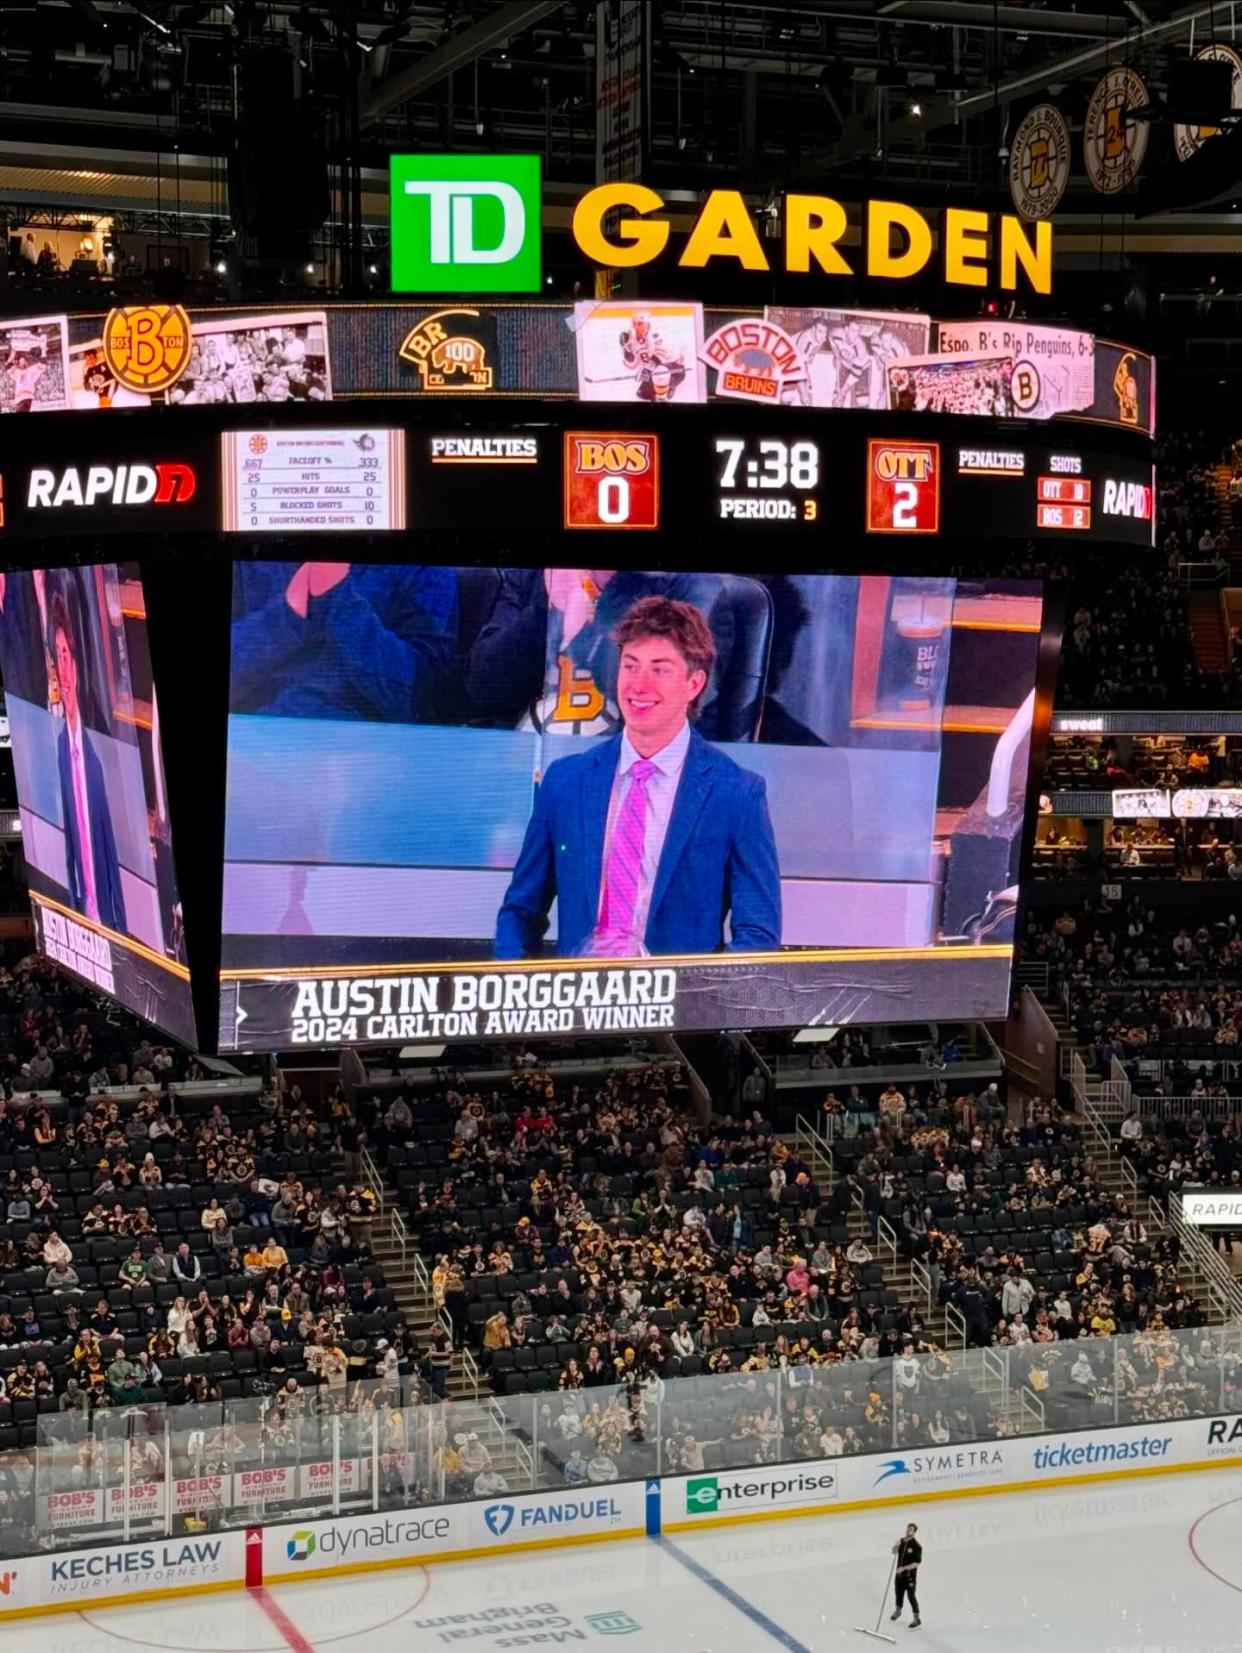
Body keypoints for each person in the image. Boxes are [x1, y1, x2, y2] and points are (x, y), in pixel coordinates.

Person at [496, 597, 781, 959]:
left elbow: (758, 934)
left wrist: (704, 1004)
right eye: (630, 666)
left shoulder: (737, 793)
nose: (638, 686)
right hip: (577, 1001)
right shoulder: (565, 783)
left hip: (679, 1007)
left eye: (659, 670)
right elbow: (521, 913)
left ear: (694, 684)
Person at [229, 561, 457, 722]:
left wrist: (341, 600)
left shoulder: (427, 572)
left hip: (355, 750)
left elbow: (416, 703)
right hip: (249, 735)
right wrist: (289, 616)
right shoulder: (247, 557)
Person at [52, 589, 126, 932]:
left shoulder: (102, 753)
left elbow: (113, 856)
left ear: (78, 666)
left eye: (67, 655)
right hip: (84, 918)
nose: (63, 669)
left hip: (109, 923)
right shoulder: (61, 746)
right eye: (58, 656)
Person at [891, 1522, 923, 1628]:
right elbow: (894, 1552)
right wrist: (895, 1547)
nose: (908, 1530)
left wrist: (903, 1568)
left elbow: (916, 1563)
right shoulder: (901, 1542)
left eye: (911, 1529)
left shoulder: (917, 1546)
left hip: (909, 1577)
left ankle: (916, 1618)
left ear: (914, 1532)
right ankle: (898, 1610)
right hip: (899, 1576)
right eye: (908, 1529)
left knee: (911, 1596)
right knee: (898, 1593)